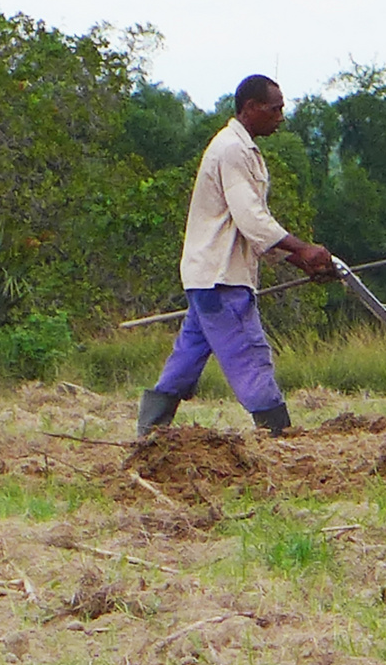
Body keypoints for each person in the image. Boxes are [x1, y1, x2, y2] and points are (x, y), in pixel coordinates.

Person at [137, 74, 335, 436]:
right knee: (249, 353)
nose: (281, 117)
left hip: (209, 276)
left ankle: (150, 431)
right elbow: (252, 219)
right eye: (275, 109)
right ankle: (278, 433)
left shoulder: (240, 149)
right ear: (250, 108)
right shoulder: (232, 150)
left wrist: (301, 261)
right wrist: (303, 248)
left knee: (187, 357)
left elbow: (249, 229)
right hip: (221, 277)